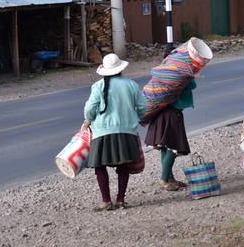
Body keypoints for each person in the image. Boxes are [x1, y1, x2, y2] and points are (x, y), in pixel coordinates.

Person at [84, 53, 146, 211]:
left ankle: (105, 201)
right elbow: (143, 107)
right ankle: (120, 200)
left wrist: (87, 121)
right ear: (120, 69)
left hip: (102, 131)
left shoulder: (98, 86)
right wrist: (142, 118)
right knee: (124, 165)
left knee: (99, 165)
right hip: (127, 131)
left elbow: (90, 108)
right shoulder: (131, 85)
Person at [144, 41, 199, 191]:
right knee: (172, 148)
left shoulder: (162, 71)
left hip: (160, 112)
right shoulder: (180, 73)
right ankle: (164, 179)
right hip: (172, 113)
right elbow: (193, 85)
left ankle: (170, 178)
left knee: (165, 147)